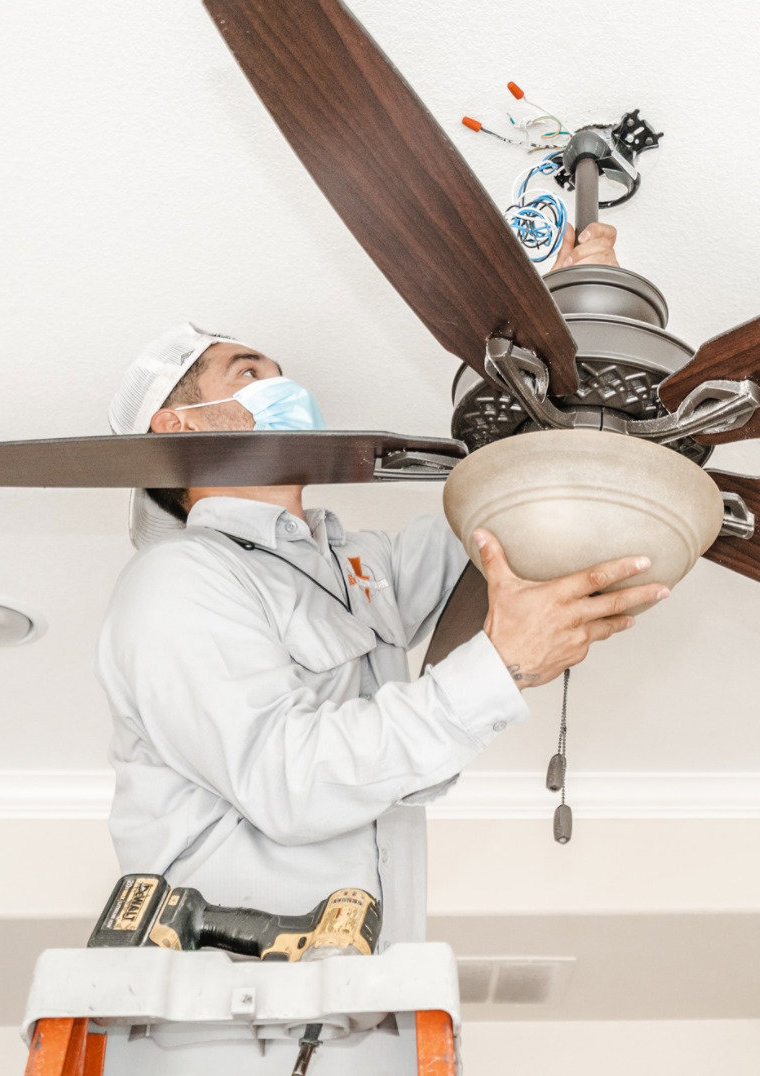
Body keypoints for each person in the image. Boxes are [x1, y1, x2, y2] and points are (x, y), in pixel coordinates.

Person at [94, 224, 652, 942]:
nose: (286, 388)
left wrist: (570, 319)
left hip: (360, 979)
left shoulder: (358, 567)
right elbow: (288, 782)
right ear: (176, 427)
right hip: (231, 986)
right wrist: (502, 666)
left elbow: (509, 513)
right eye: (249, 375)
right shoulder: (179, 578)